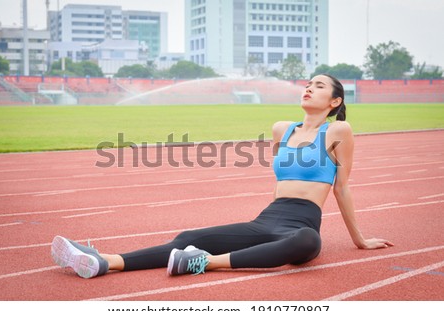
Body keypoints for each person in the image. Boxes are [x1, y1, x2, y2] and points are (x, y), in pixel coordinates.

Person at [51, 74, 394, 279]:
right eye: (306, 84)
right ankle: (104, 262)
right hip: (268, 219)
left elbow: (342, 189)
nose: (308, 89)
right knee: (188, 234)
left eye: (318, 87)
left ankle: (205, 263)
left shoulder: (340, 131)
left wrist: (360, 240)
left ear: (334, 101)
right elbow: (282, 178)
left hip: (301, 223)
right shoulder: (281, 129)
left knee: (308, 244)